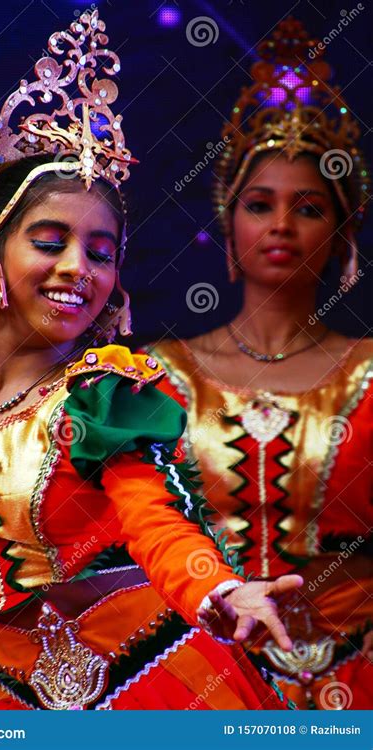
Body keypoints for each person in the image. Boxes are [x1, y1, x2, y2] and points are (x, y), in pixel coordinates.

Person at [0, 10, 302, 710]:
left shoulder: (99, 397)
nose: (77, 269)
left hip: (154, 683)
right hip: (16, 697)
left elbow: (156, 523)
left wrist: (221, 588)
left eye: (102, 251)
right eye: (50, 241)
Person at [147, 18, 372, 709]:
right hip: (200, 686)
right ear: (229, 223)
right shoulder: (154, 374)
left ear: (339, 235)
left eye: (307, 207)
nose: (280, 225)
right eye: (259, 204)